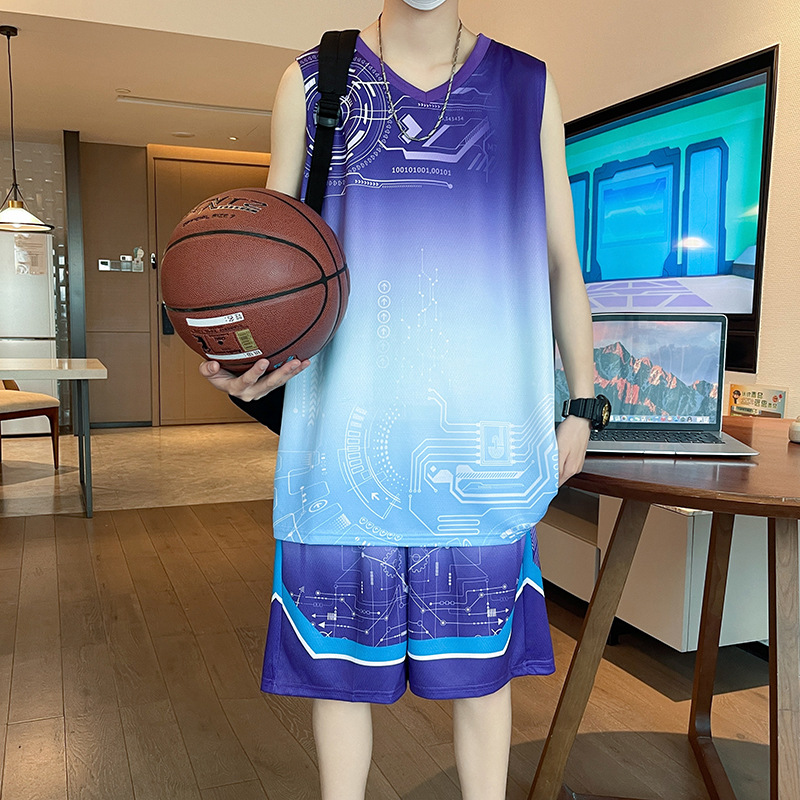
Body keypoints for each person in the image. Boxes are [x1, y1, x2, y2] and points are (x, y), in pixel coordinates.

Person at [201, 0, 595, 797]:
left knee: (483, 678)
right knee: (341, 680)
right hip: (343, 449)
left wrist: (583, 404)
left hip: (479, 446)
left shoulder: (527, 85)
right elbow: (268, 261)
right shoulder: (313, 82)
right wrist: (244, 354)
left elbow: (562, 259)